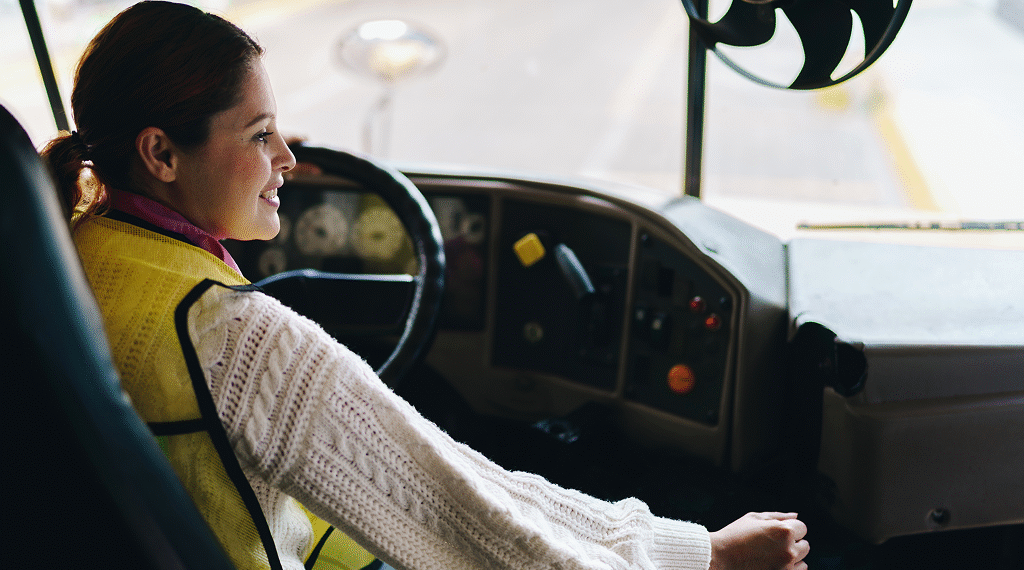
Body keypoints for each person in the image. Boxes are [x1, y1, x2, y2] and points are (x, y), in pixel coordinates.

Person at [42, 2, 810, 569]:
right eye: (258, 135)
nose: (288, 160)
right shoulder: (234, 338)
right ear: (161, 154)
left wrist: (240, 158)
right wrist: (703, 554)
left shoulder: (68, 254)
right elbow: (466, 516)